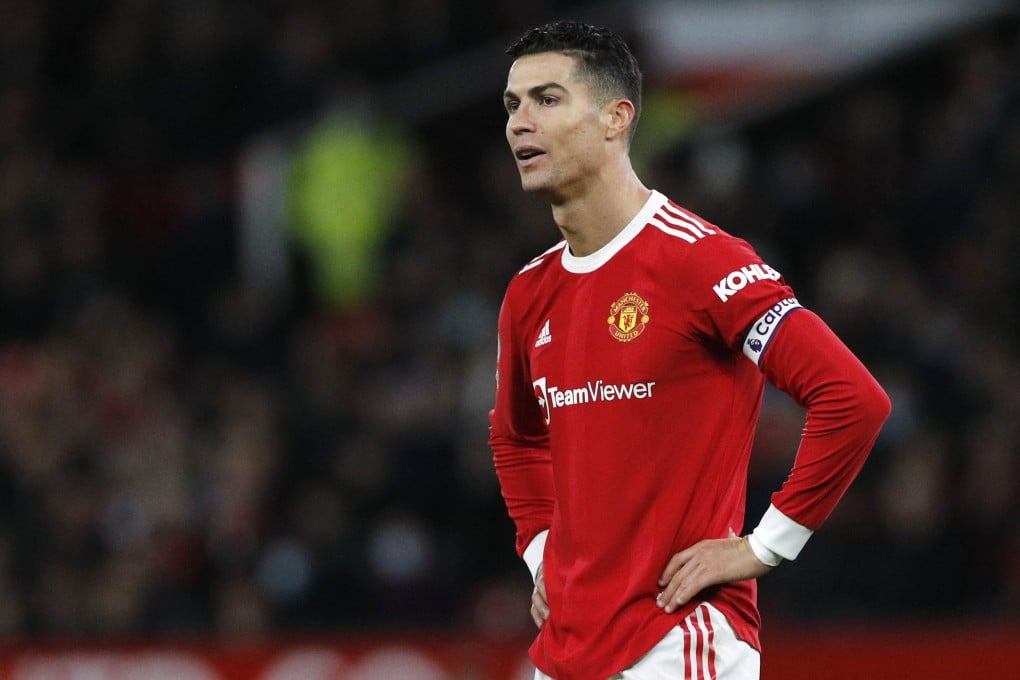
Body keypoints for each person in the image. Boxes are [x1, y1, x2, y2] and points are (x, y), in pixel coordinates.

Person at [488, 20, 891, 680]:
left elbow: (851, 398)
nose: (519, 123)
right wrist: (541, 553)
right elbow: (515, 439)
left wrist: (765, 546)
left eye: (547, 99)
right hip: (564, 650)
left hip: (679, 640)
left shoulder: (698, 260)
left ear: (617, 118)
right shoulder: (529, 292)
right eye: (512, 105)